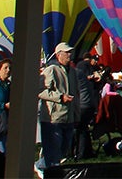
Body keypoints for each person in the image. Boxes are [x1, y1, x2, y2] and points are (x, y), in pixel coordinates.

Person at [38, 41, 77, 174]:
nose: (69, 54)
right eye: (67, 52)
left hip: (68, 117)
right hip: (53, 118)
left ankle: (41, 165)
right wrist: (60, 97)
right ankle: (51, 172)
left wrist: (76, 114)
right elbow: (40, 90)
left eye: (70, 52)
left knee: (62, 151)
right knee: (53, 151)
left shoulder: (72, 71)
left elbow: (75, 94)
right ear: (59, 55)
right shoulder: (51, 70)